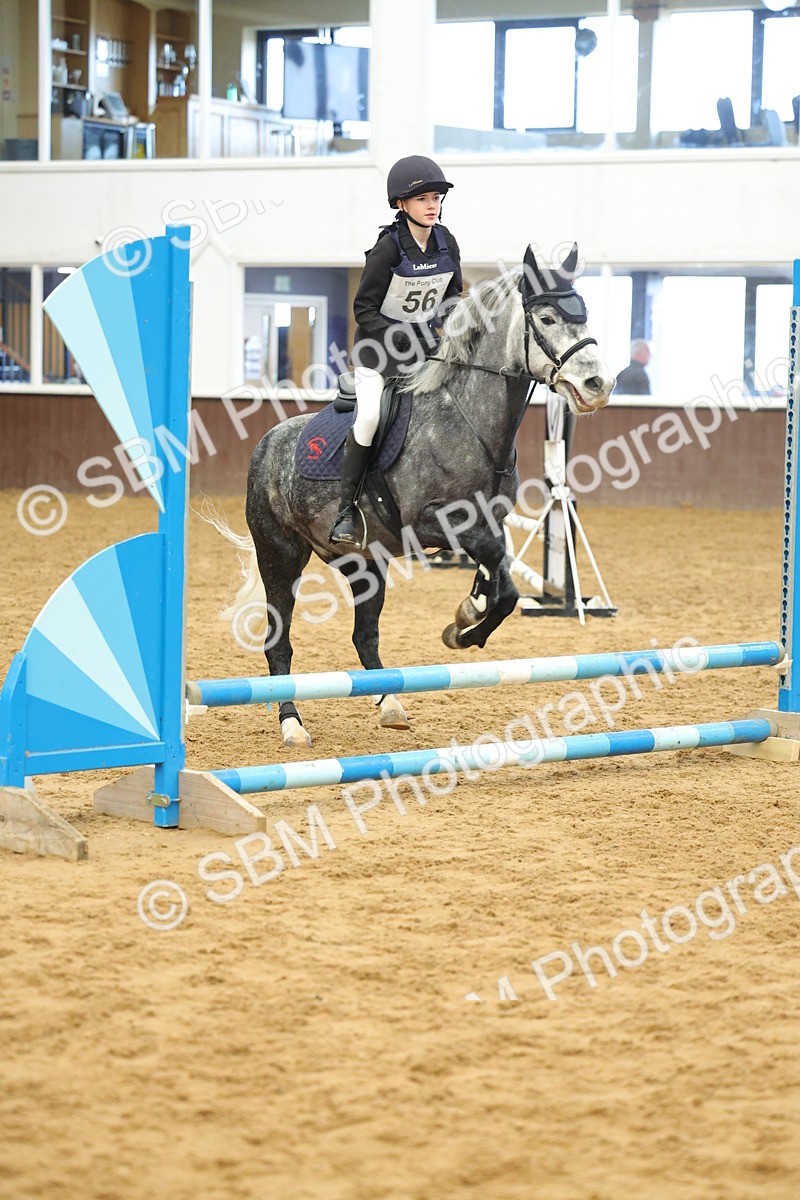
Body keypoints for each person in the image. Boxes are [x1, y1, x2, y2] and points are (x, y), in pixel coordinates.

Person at [329, 155, 463, 547]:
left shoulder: (446, 242)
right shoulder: (387, 249)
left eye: (436, 197)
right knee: (369, 416)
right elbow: (362, 310)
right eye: (423, 199)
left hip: (426, 353)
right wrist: (397, 334)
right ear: (401, 204)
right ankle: (345, 510)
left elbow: (452, 297)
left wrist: (456, 324)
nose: (432, 205)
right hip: (379, 355)